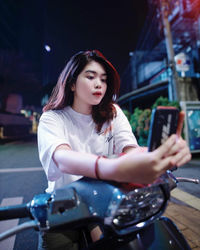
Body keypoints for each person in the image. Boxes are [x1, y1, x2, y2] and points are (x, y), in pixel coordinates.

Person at [37, 50, 191, 249]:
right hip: (64, 207)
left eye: (103, 79)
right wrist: (112, 168)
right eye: (90, 77)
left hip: (107, 202)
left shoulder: (112, 112)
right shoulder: (53, 118)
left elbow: (130, 149)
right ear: (72, 83)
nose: (99, 83)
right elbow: (63, 158)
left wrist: (155, 154)